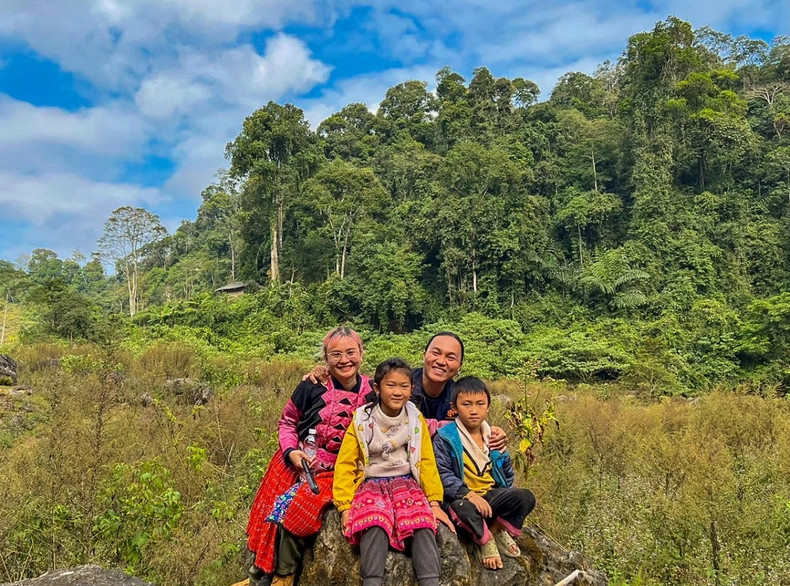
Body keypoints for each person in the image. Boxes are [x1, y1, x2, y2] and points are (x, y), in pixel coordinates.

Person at [245, 327, 375, 586]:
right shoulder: (312, 385)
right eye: (336, 354)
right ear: (325, 358)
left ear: (362, 354)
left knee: (299, 510)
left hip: (347, 470)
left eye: (351, 352)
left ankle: (284, 576)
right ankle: (261, 577)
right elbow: (287, 421)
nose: (344, 360)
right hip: (301, 463)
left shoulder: (374, 391)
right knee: (274, 514)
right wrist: (292, 451)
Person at [333, 358, 456, 586]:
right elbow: (346, 463)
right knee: (374, 520)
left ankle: (430, 581)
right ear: (377, 388)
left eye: (404, 386)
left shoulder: (414, 418)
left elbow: (426, 461)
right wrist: (344, 507)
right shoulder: (362, 419)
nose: (398, 392)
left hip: (406, 482)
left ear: (412, 388)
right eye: (391, 385)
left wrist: (434, 503)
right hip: (371, 482)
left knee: (421, 521)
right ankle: (372, 581)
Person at [305, 331, 508, 451]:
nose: (441, 361)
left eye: (451, 357)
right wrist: (327, 373)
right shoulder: (402, 384)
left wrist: (490, 431)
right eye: (436, 353)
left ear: (460, 364)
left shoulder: (459, 394)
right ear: (424, 355)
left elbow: (474, 417)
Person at [433, 376, 536, 571]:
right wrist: (469, 494)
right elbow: (442, 473)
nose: (474, 410)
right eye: (466, 404)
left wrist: (506, 495)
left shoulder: (493, 437)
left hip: (490, 496)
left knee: (525, 497)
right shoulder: (445, 438)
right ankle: (485, 540)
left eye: (480, 404)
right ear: (454, 407)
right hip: (462, 498)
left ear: (488, 407)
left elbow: (507, 476)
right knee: (462, 508)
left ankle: (497, 528)